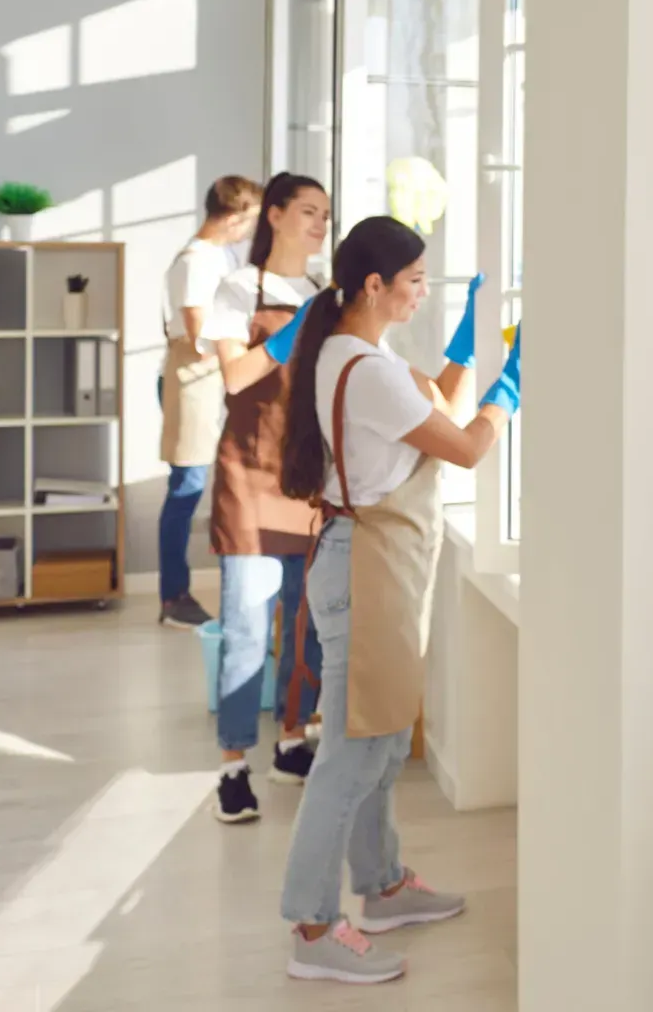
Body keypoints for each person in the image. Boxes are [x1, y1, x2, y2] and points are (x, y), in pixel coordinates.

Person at [273, 215, 520, 984]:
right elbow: (466, 446)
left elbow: (431, 405)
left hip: (371, 564)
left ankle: (381, 886)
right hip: (366, 571)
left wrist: (468, 351)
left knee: (379, 741)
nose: (422, 292)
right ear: (375, 285)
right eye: (414, 280)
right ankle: (313, 927)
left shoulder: (351, 352)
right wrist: (510, 391)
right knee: (352, 754)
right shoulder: (365, 368)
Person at [197, 172, 329, 821]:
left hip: (307, 480)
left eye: (326, 214)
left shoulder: (324, 294)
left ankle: (292, 742)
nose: (320, 224)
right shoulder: (235, 289)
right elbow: (234, 377)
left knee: (307, 626)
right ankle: (233, 767)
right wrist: (288, 333)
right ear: (273, 215)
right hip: (249, 477)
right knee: (248, 630)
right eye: (308, 211)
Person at [157, 175, 260, 629]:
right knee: (186, 489)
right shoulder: (195, 262)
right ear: (235, 217)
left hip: (210, 382)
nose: (252, 229)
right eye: (251, 219)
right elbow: (201, 338)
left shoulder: (221, 256)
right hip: (192, 382)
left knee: (198, 487)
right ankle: (173, 596)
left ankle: (180, 593)